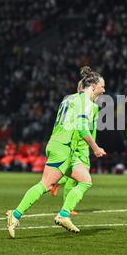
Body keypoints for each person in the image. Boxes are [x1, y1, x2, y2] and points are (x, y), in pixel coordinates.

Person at [6, 67, 106, 238]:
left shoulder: (69, 99)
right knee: (45, 184)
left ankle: (64, 214)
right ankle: (14, 215)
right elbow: (82, 128)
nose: (104, 89)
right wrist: (95, 148)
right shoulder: (87, 103)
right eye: (102, 86)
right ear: (94, 85)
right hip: (64, 147)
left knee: (85, 180)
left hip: (61, 144)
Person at [50, 79, 101, 217]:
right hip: (81, 143)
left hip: (77, 142)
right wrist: (93, 145)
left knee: (75, 174)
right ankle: (66, 207)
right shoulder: (91, 106)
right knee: (82, 177)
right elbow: (89, 127)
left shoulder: (71, 100)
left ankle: (56, 183)